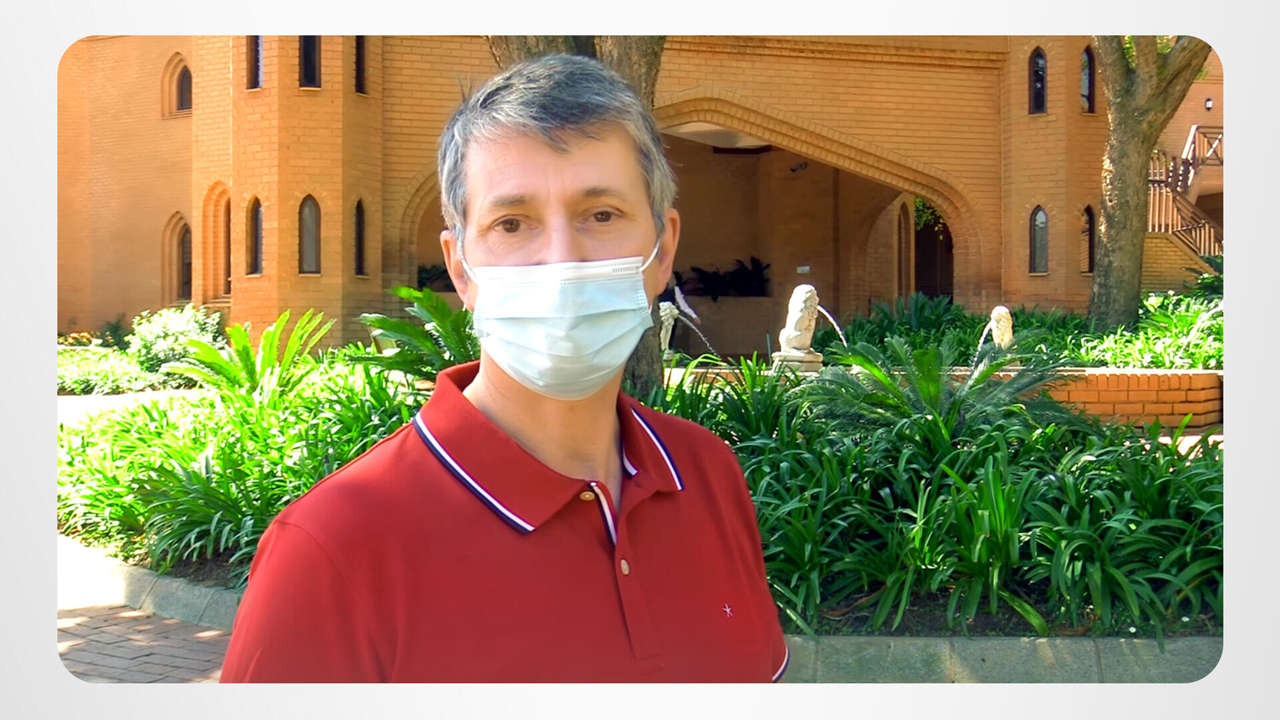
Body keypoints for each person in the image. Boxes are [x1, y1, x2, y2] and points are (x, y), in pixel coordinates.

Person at [220, 53, 789, 683]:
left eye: (601, 215)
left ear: (662, 251)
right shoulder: (332, 549)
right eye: (512, 224)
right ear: (461, 269)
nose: (561, 259)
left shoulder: (706, 474)